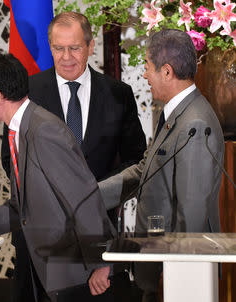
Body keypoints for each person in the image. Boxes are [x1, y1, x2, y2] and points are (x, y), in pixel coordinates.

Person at [0, 52, 115, 301]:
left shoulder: (44, 131)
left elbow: (84, 199)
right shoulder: (22, 129)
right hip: (45, 271)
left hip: (74, 275)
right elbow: (20, 211)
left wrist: (102, 261)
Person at [1, 11, 147, 301]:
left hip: (97, 240)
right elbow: (11, 158)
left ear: (91, 47)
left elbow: (137, 163)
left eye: (75, 48)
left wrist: (92, 197)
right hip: (42, 243)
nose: (66, 57)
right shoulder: (28, 92)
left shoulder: (119, 94)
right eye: (58, 48)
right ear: (50, 46)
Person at [98, 29, 224, 302]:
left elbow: (191, 215)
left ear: (166, 72)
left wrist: (175, 274)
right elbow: (146, 171)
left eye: (147, 67)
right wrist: (88, 195)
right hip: (158, 268)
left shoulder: (195, 123)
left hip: (176, 275)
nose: (144, 75)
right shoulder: (175, 114)